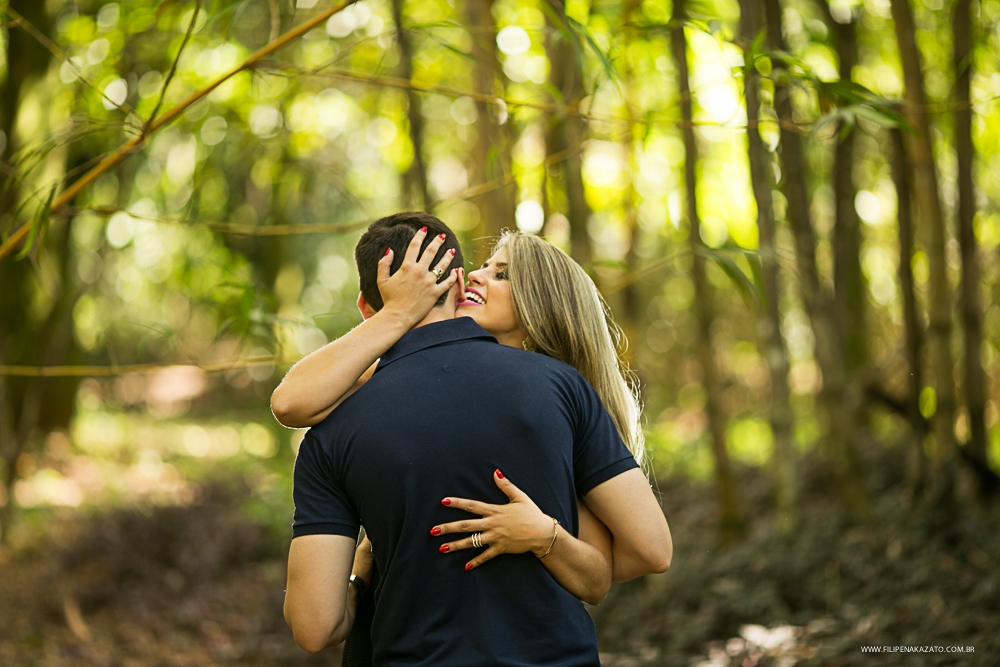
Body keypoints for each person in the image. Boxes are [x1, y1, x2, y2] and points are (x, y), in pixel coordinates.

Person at [279, 212, 672, 664]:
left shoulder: (336, 428)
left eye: (501, 273)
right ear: (456, 282)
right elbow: (613, 571)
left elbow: (314, 627)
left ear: (366, 309)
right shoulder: (562, 389)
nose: (479, 279)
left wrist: (544, 537)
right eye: (482, 268)